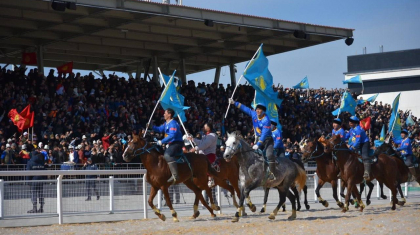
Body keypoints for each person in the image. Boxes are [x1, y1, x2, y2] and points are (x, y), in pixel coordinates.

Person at [229, 99, 275, 180]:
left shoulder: (266, 120)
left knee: (268, 155)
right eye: (257, 109)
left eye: (260, 109)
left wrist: (258, 144)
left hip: (267, 140)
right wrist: (234, 103)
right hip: (257, 139)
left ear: (263, 111)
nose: (258, 111)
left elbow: (264, 134)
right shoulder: (254, 114)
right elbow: (245, 108)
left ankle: (271, 173)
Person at [151, 108, 184, 184]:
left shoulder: (173, 123)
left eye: (165, 113)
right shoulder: (166, 123)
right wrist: (151, 126)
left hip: (177, 143)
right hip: (170, 143)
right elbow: (159, 129)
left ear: (169, 114)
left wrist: (161, 141)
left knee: (167, 155)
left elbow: (172, 135)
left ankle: (175, 175)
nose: (163, 114)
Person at [188, 123, 217, 187]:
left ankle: (210, 178)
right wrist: (192, 139)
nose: (203, 128)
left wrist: (195, 148)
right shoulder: (205, 136)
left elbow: (205, 145)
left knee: (203, 164)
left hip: (210, 154)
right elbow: (201, 142)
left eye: (204, 127)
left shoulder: (212, 136)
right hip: (202, 155)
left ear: (208, 128)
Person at [26, 146, 46, 213]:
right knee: (41, 193)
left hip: (34, 180)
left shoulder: (30, 162)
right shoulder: (41, 162)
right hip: (41, 179)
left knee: (33, 193)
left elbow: (28, 173)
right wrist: (45, 179)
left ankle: (34, 208)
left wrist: (28, 182)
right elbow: (44, 171)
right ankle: (41, 208)